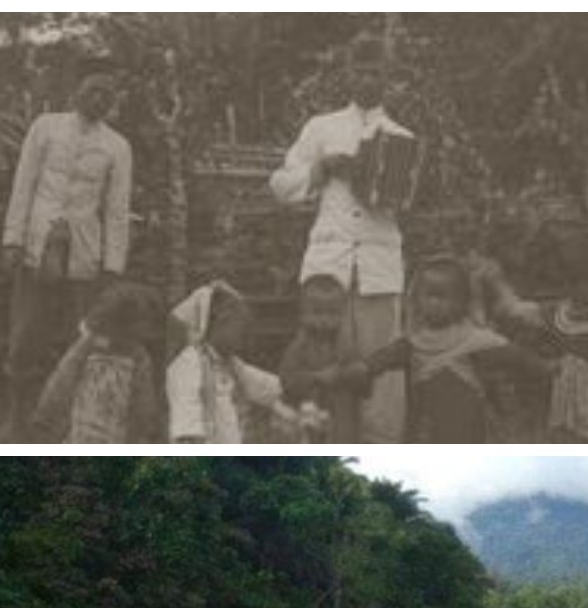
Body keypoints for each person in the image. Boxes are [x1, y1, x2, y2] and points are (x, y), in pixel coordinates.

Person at [270, 36, 412, 443]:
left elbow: (411, 199)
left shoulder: (402, 136)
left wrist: (387, 183)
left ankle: (382, 448)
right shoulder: (322, 127)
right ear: (347, 73)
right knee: (319, 360)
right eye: (360, 70)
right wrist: (321, 169)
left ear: (390, 79)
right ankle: (316, 444)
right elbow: (281, 186)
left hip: (379, 264)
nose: (368, 79)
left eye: (377, 72)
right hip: (328, 265)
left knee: (379, 368)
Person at [1, 73, 134, 439]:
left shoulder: (117, 146)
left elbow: (117, 210)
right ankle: (17, 418)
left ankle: (73, 421)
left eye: (106, 94)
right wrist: (12, 240)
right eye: (92, 89)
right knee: (25, 332)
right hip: (37, 247)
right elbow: (23, 184)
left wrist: (111, 266)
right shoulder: (45, 128)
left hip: (84, 255)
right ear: (75, 90)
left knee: (82, 336)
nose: (97, 99)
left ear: (112, 102)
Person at [354, 255, 556, 442]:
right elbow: (384, 358)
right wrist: (364, 369)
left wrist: (544, 367)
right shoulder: (415, 342)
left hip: (466, 428)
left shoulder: (473, 340)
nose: (434, 303)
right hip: (425, 430)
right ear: (417, 299)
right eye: (428, 296)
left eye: (442, 297)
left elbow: (513, 355)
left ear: (461, 302)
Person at [478, 223, 588, 443]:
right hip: (571, 405)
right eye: (572, 282)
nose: (580, 289)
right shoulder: (563, 312)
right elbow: (522, 311)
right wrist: (498, 283)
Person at [166, 281, 297, 443]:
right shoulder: (189, 363)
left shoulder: (232, 365)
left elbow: (266, 386)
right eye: (240, 327)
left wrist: (297, 384)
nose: (246, 334)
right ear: (220, 323)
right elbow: (186, 413)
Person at [31, 281, 161, 443]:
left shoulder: (137, 355)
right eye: (143, 322)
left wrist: (145, 426)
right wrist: (48, 414)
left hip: (115, 430)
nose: (147, 330)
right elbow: (64, 378)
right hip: (85, 427)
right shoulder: (88, 347)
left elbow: (143, 396)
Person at [279, 275, 359, 442]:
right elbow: (287, 379)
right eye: (317, 312)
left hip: (340, 413)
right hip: (308, 408)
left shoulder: (346, 344)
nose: (324, 319)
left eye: (332, 313)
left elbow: (361, 375)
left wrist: (345, 373)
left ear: (343, 314)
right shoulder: (299, 346)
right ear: (303, 314)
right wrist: (316, 377)